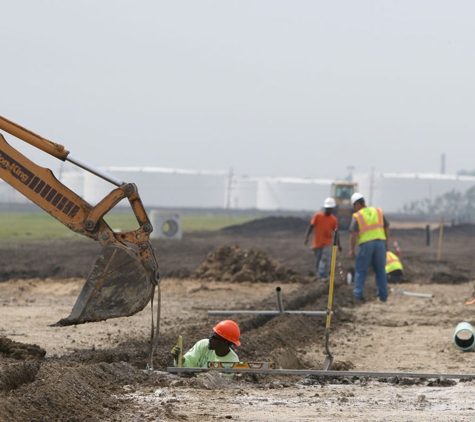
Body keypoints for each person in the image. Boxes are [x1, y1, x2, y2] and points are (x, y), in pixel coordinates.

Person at [349, 192, 390, 302]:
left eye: (354, 206)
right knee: (381, 270)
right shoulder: (378, 211)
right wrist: (386, 242)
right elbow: (387, 227)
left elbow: (353, 233)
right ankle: (383, 296)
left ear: (357, 204)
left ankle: (357, 295)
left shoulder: (357, 216)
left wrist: (352, 249)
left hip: (366, 244)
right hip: (380, 243)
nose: (354, 208)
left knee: (361, 270)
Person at [171, 320, 241, 369]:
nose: (210, 338)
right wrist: (179, 360)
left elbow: (218, 383)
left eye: (214, 337)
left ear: (224, 342)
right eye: (211, 334)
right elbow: (188, 364)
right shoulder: (203, 344)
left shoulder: (232, 363)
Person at [304, 197, 342, 280]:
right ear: (325, 208)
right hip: (317, 244)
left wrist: (339, 244)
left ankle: (323, 277)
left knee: (324, 259)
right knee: (318, 262)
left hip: (327, 243)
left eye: (330, 209)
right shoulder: (317, 216)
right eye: (327, 208)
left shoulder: (333, 220)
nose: (329, 210)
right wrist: (307, 237)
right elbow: (311, 226)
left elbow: (336, 232)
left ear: (332, 209)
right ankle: (320, 277)